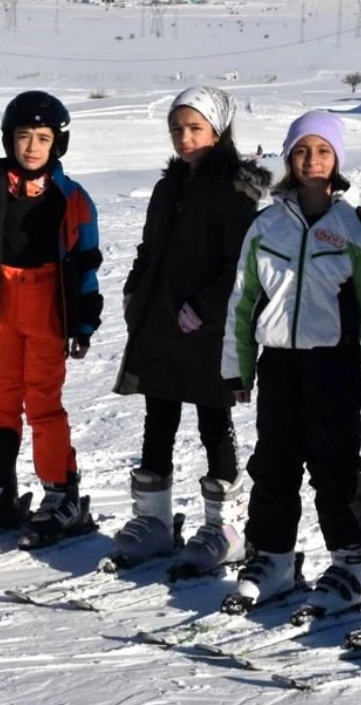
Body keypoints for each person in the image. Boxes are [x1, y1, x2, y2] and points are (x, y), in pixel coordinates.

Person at [221, 110, 361, 617]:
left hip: (333, 366)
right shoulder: (266, 224)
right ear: (289, 159)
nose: (312, 161)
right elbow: (243, 300)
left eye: (322, 151)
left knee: (335, 467)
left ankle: (350, 565)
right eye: (301, 151)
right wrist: (238, 367)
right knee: (273, 464)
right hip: (278, 367)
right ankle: (272, 560)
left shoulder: (355, 228)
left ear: (336, 160)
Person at [111, 86, 271, 576]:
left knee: (212, 426)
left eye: (195, 128)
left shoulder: (234, 191)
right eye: (177, 129)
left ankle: (226, 528)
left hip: (207, 331)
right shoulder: (168, 187)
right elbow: (148, 248)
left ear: (218, 130)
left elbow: (242, 264)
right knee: (157, 422)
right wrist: (136, 291)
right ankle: (154, 522)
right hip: (160, 323)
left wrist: (203, 307)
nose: (185, 138)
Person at [0, 90, 102, 550]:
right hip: (1, 309)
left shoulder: (72, 199)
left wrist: (84, 323)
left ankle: (62, 494)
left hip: (49, 310)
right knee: (0, 397)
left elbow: (86, 264)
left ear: (58, 143)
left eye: (42, 138)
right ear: (8, 140)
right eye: (23, 137)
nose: (32, 147)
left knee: (42, 401)